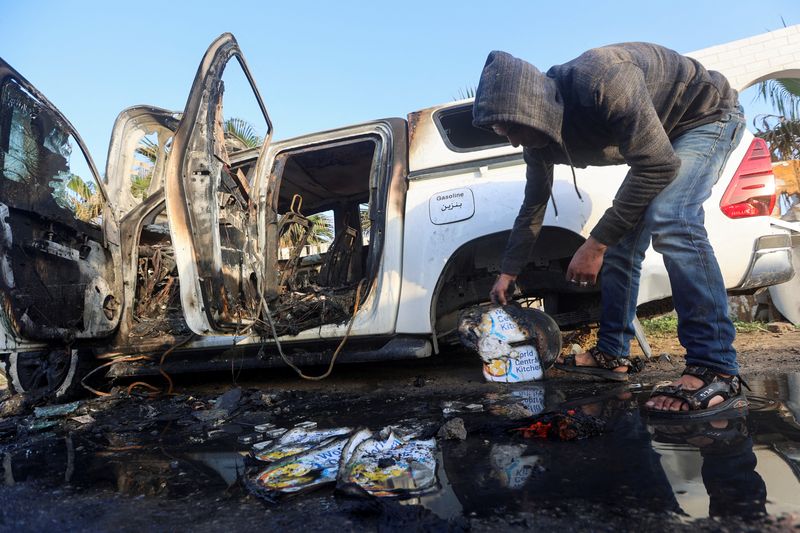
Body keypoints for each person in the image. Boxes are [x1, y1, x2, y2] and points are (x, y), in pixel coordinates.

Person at [472, 43, 748, 415]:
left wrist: (595, 243)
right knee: (620, 248)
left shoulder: (602, 77)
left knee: (672, 218)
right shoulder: (536, 141)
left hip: (704, 118)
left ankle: (715, 368)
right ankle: (612, 354)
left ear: (536, 106)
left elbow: (658, 165)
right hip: (658, 142)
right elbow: (533, 205)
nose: (515, 140)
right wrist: (508, 272)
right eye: (503, 132)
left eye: (516, 128)